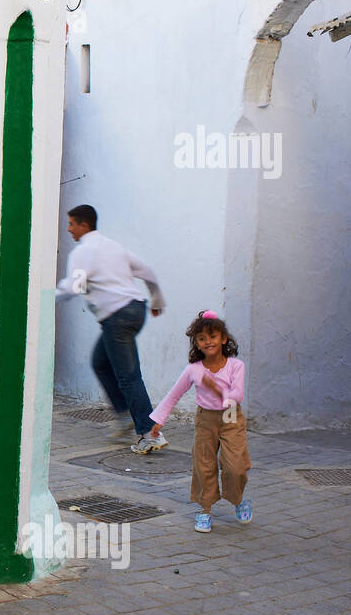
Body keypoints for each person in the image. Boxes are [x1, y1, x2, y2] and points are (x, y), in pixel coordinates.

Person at [55, 204, 167, 453]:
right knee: (101, 362)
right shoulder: (112, 246)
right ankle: (125, 415)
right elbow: (147, 271)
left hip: (117, 317)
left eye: (72, 223)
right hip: (134, 311)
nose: (68, 228)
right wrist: (157, 300)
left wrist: (46, 295)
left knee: (128, 376)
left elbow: (73, 286)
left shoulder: (84, 252)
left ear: (84, 225)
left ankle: (150, 433)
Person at [144, 310, 250, 533]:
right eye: (201, 338)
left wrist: (217, 389)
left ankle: (238, 499)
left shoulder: (235, 366)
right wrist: (159, 420)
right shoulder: (193, 369)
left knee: (235, 466)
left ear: (223, 339)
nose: (207, 342)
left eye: (212, 336)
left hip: (231, 416)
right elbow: (174, 394)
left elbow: (237, 394)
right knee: (204, 464)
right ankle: (205, 510)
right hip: (206, 419)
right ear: (197, 343)